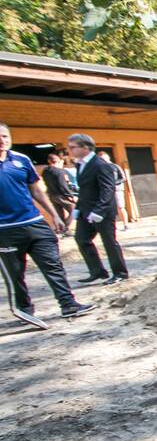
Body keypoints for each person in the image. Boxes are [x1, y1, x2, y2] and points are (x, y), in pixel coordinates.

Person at [0, 123, 94, 321]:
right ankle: (24, 309)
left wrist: (55, 215)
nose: (2, 141)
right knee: (15, 273)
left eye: (5, 136)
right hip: (5, 230)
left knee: (53, 265)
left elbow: (36, 191)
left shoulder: (21, 159)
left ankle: (68, 304)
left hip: (34, 223)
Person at [67, 133, 129, 285]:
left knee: (109, 241)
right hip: (85, 210)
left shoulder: (101, 164)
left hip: (102, 211)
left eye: (72, 147)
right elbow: (84, 189)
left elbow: (108, 189)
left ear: (85, 147)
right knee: (81, 239)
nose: (70, 150)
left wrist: (99, 210)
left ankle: (120, 272)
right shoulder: (80, 164)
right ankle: (97, 271)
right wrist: (78, 208)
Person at [41, 153, 76, 234]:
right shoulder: (60, 172)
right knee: (74, 210)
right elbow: (63, 186)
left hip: (51, 194)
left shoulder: (45, 171)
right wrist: (70, 195)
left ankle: (60, 229)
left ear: (49, 161)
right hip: (60, 195)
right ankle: (65, 228)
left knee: (59, 214)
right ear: (59, 161)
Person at [98, 151, 129, 231]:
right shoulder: (100, 168)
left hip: (117, 190)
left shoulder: (115, 166)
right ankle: (113, 226)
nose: (104, 160)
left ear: (108, 158)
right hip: (106, 191)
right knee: (110, 209)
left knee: (121, 206)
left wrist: (114, 183)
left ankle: (126, 225)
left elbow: (123, 178)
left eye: (104, 158)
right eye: (101, 159)